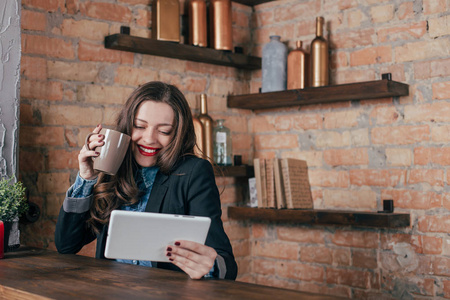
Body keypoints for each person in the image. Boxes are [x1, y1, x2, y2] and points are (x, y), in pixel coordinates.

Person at [55, 81, 237, 280]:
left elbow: (226, 264)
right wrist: (86, 177)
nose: (149, 139)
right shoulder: (116, 168)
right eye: (139, 126)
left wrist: (211, 267)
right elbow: (67, 245)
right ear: (127, 126)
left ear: (178, 133)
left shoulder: (193, 172)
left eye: (164, 131)